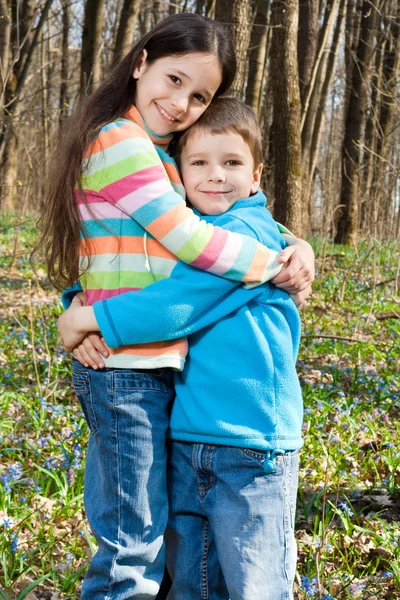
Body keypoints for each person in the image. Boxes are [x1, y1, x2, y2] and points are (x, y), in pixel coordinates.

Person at [44, 12, 314, 599]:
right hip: (126, 370)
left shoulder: (164, 154)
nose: (181, 102)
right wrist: (275, 263)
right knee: (132, 544)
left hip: (152, 364)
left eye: (199, 95)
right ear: (141, 63)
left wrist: (291, 240)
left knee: (153, 544)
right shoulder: (122, 143)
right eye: (173, 80)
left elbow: (143, 250)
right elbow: (191, 242)